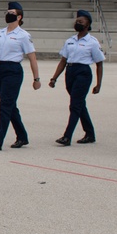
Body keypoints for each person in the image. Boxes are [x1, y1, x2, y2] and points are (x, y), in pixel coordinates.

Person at [0, 1, 41, 150]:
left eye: (11, 14)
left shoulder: (24, 36)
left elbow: (32, 58)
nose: (8, 15)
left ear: (19, 17)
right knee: (9, 105)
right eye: (7, 13)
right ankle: (22, 136)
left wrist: (36, 79)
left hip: (13, 70)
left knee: (5, 105)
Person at [48, 10, 105, 145]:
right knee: (79, 104)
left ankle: (67, 136)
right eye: (77, 21)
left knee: (75, 105)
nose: (78, 22)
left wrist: (98, 84)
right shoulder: (70, 41)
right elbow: (63, 61)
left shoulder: (92, 42)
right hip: (70, 72)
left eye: (81, 21)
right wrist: (54, 78)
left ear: (88, 24)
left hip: (83, 73)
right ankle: (90, 133)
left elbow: (99, 64)